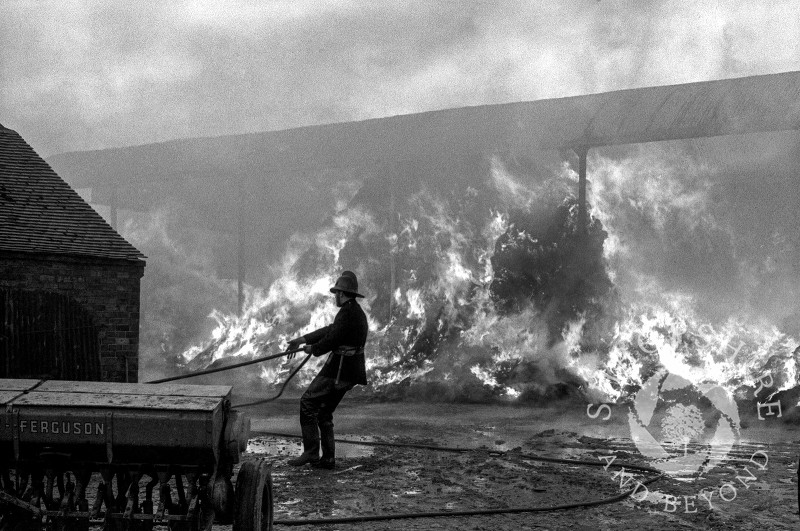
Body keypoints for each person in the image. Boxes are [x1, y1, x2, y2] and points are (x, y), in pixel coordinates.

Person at [285, 271, 369, 469]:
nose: (335, 297)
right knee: (324, 411)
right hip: (348, 371)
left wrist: (313, 348)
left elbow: (332, 338)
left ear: (341, 293)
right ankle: (328, 458)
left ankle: (311, 452)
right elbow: (331, 330)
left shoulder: (348, 313)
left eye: (336, 293)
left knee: (307, 402)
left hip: (339, 371)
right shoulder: (352, 311)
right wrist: (303, 339)